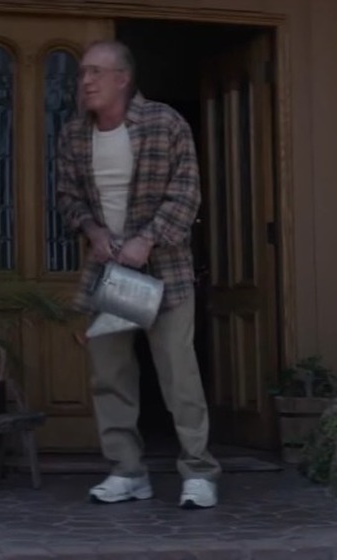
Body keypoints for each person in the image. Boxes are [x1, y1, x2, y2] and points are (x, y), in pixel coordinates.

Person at [56, 40, 221, 508]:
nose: (84, 81)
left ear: (122, 79)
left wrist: (146, 239)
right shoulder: (72, 135)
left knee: (178, 373)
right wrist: (91, 230)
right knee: (110, 375)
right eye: (81, 73)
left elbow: (186, 193)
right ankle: (127, 471)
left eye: (94, 72)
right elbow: (69, 197)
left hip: (164, 272)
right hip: (108, 277)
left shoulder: (165, 123)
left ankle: (199, 472)